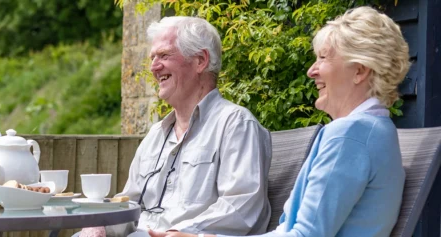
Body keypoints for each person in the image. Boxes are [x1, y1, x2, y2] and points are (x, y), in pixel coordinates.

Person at [148, 6, 409, 237]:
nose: (311, 70)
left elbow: (305, 235)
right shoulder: (376, 131)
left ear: (359, 71)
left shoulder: (350, 136)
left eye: (324, 58)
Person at [82, 16, 273, 237]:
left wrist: (178, 233)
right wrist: (102, 225)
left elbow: (241, 208)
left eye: (164, 55)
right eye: (152, 58)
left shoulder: (235, 124)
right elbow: (130, 204)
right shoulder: (155, 135)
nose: (153, 67)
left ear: (200, 60)